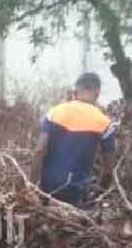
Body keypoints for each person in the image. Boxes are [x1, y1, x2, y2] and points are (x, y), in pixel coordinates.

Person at [31, 72, 118, 206]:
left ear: (76, 90)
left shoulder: (54, 113)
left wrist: (32, 188)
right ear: (97, 93)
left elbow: (39, 151)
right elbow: (108, 170)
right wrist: (96, 198)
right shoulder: (105, 123)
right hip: (76, 193)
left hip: (46, 189)